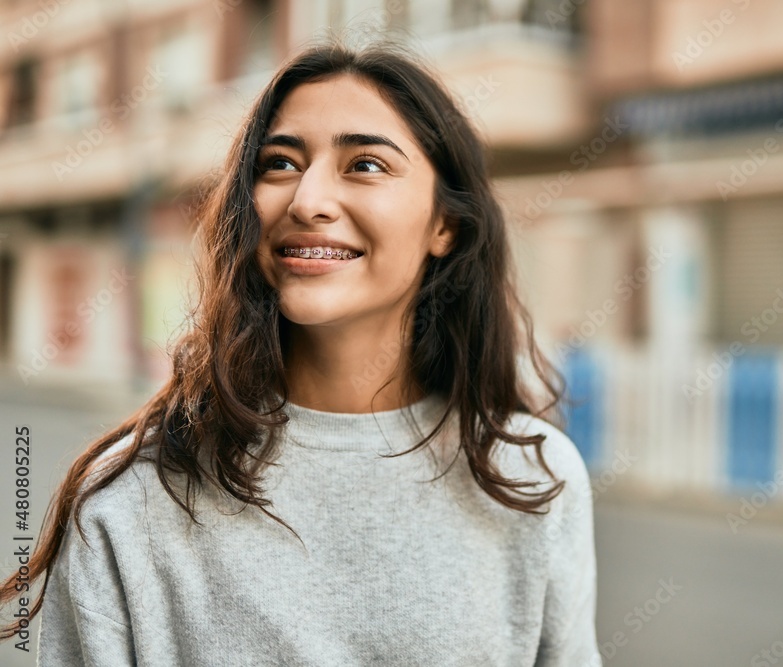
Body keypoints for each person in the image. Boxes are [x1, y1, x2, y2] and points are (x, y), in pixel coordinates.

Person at [0, 41, 601, 666]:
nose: (307, 199)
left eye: (366, 164)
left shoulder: (534, 478)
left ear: (444, 226)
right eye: (280, 164)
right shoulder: (127, 499)